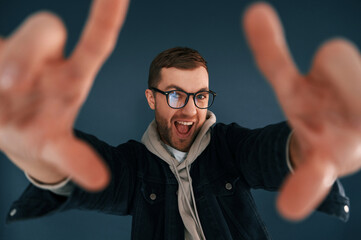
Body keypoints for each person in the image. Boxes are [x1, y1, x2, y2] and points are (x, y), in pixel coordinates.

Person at [0, 0, 360, 239]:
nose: (190, 109)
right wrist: (36, 150)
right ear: (151, 98)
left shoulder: (229, 148)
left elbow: (267, 154)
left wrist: (308, 146)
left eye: (200, 96)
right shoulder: (135, 168)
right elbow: (85, 175)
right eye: (175, 95)